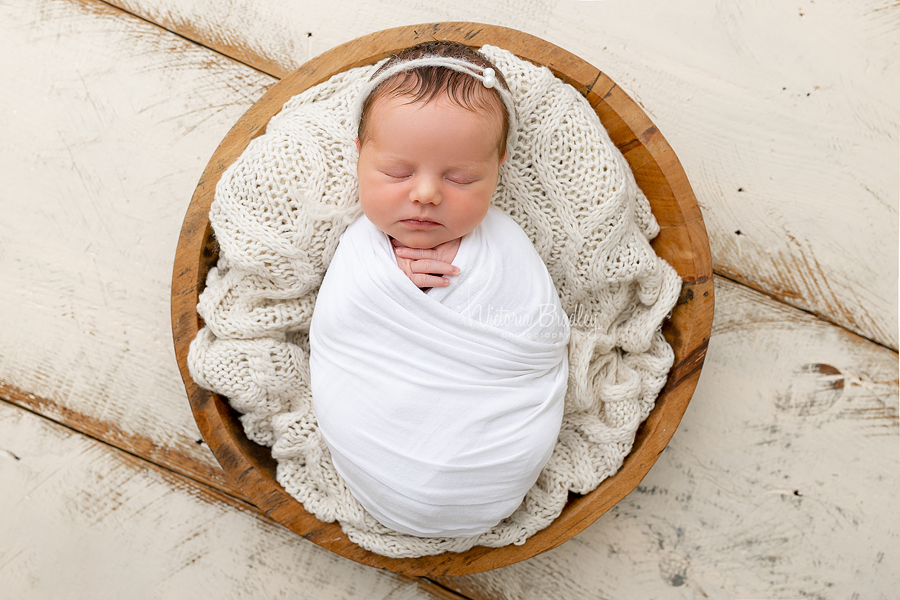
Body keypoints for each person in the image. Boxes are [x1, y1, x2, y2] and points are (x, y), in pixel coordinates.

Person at [309, 41, 571, 538]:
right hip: (381, 441)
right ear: (360, 155)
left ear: (498, 169)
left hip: (492, 452)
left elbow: (538, 338)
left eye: (461, 177)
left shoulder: (505, 243)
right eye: (397, 172)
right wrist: (386, 290)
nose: (426, 193)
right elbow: (337, 329)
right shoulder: (359, 250)